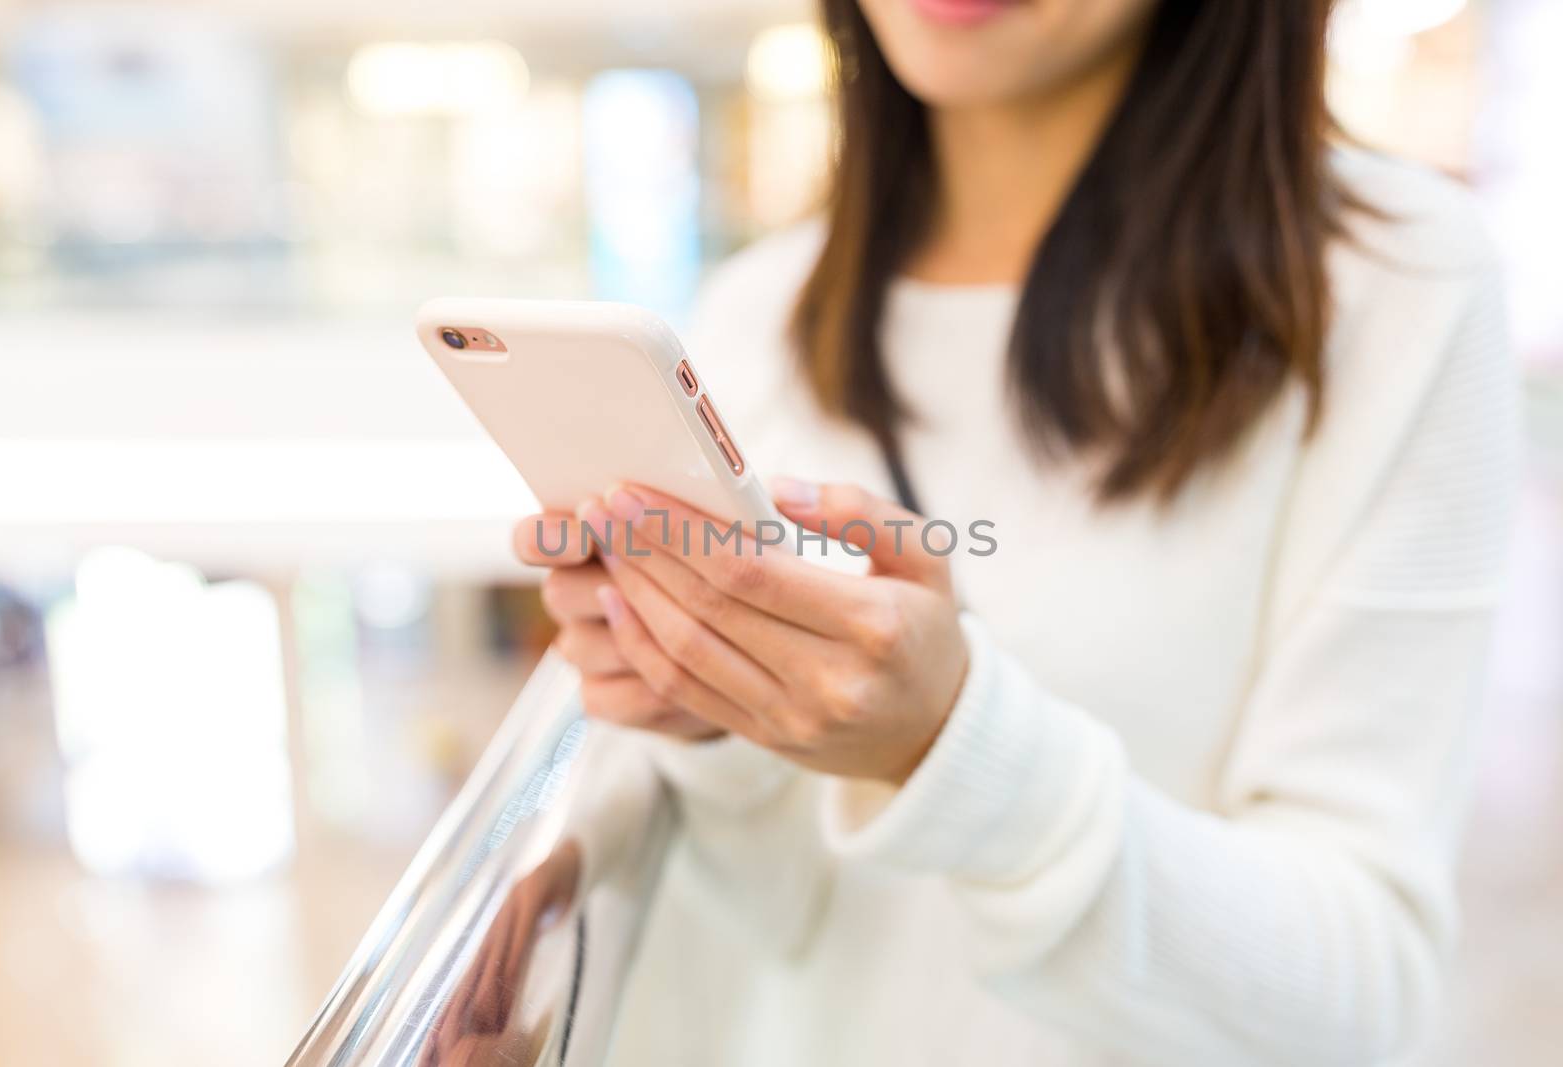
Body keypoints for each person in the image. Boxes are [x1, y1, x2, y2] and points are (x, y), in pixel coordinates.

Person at [515, 0, 1518, 1063]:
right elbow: (778, 930)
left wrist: (954, 745)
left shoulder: (1389, 284)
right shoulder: (757, 313)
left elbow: (1359, 1004)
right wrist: (712, 712)